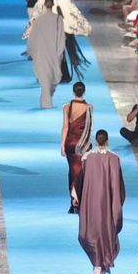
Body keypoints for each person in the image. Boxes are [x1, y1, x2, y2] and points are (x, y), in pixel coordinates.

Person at [78, 130, 125, 274]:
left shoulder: (87, 158)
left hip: (90, 202)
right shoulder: (115, 158)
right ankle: (102, 264)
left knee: (92, 233)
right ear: (107, 140)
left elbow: (79, 182)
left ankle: (97, 264)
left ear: (96, 140)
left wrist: (77, 200)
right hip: (108, 202)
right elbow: (119, 186)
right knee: (106, 231)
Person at [61, 82, 93, 213]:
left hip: (71, 144)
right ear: (84, 92)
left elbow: (65, 127)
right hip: (84, 144)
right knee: (83, 172)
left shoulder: (67, 107)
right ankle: (81, 200)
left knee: (72, 171)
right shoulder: (89, 107)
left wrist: (62, 145)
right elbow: (89, 128)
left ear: (73, 92)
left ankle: (73, 201)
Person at [25, 0, 64, 109]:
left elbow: (32, 37)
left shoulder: (39, 20)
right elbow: (61, 36)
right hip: (53, 52)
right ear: (53, 5)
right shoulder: (58, 19)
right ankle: (47, 103)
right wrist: (60, 51)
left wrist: (32, 51)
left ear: (44, 5)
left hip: (42, 52)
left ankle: (45, 99)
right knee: (51, 77)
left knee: (49, 77)